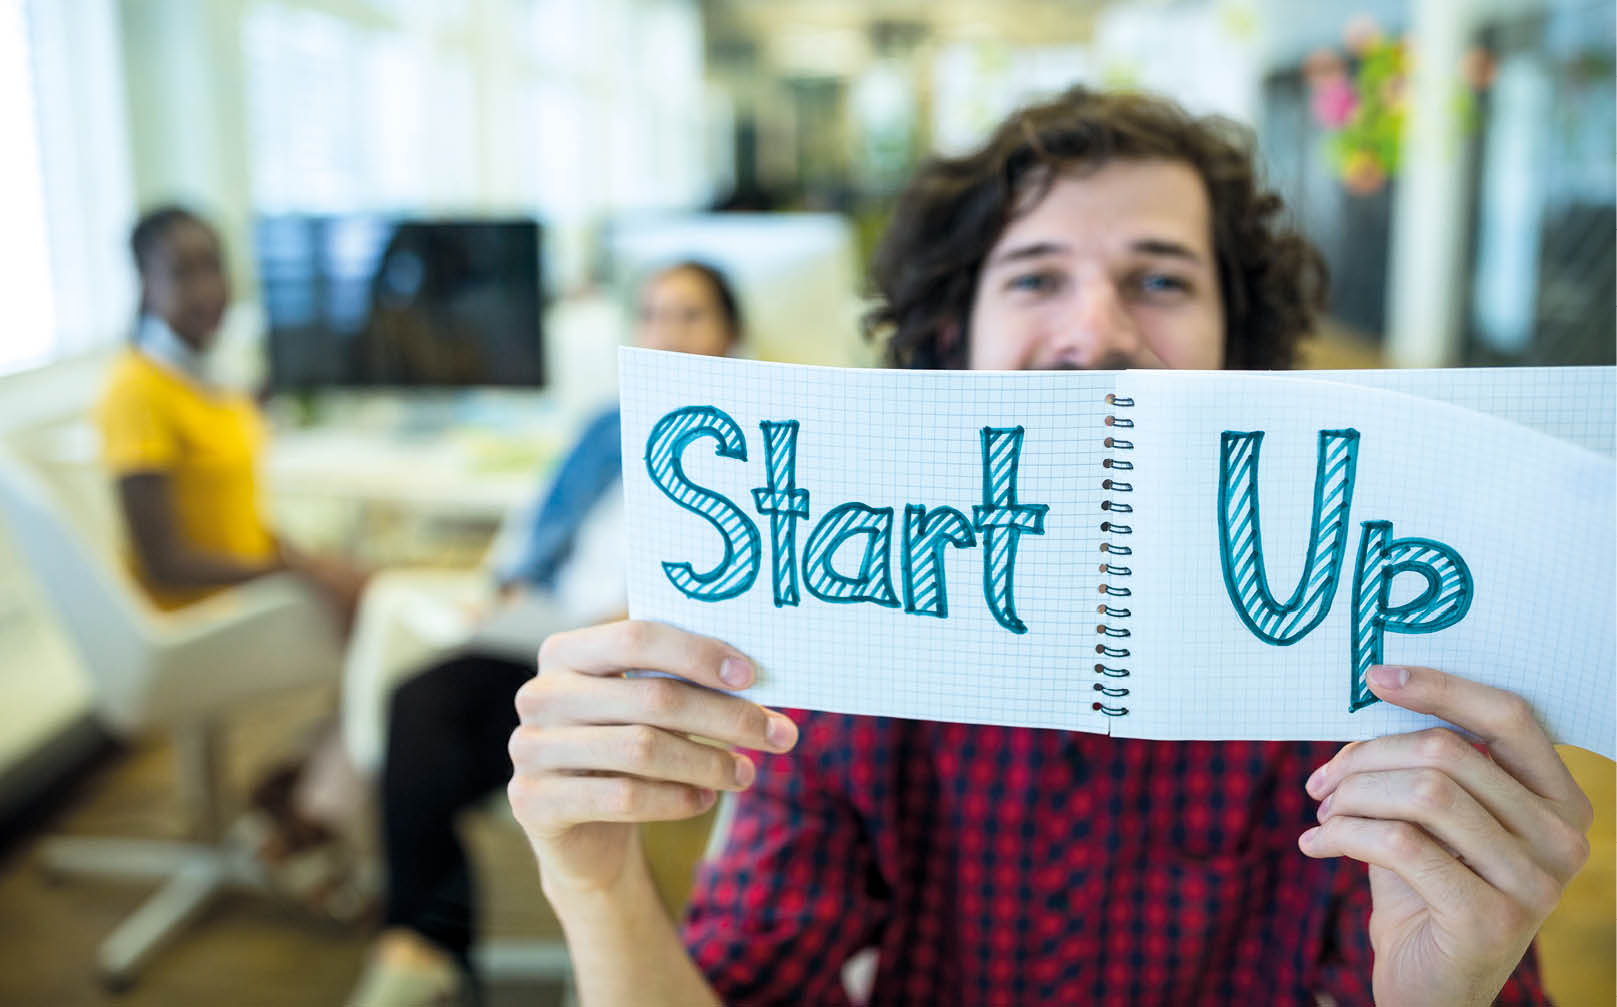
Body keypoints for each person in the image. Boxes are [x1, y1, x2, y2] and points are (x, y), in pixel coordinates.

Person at [506, 88, 1592, 1005]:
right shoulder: (848, 651)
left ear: (1239, 348)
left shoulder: (1352, 662)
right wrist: (591, 877)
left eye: (1161, 279)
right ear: (953, 339)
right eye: (1035, 276)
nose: (1096, 332)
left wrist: (1451, 986)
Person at [347, 261, 745, 1006]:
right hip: (541, 629)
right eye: (654, 314)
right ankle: (424, 942)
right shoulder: (608, 424)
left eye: (690, 315)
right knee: (418, 703)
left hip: (632, 659)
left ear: (730, 332)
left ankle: (428, 943)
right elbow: (536, 526)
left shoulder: (747, 444)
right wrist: (502, 589)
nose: (668, 332)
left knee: (442, 737)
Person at [97, 204, 368, 620]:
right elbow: (164, 564)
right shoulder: (137, 390)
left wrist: (308, 563)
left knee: (372, 584)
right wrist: (295, 574)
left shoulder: (215, 381)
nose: (206, 289)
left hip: (252, 588)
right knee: (379, 607)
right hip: (205, 616)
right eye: (183, 273)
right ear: (147, 284)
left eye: (213, 267)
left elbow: (241, 523)